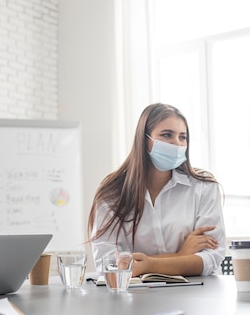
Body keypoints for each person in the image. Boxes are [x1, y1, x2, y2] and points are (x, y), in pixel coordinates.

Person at [88, 103, 225, 277]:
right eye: (167, 135)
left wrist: (148, 264)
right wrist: (181, 256)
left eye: (182, 137)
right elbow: (108, 264)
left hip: (196, 293)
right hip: (136, 299)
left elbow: (212, 257)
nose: (176, 143)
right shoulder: (113, 192)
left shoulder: (203, 186)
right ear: (144, 140)